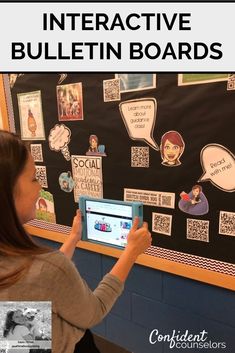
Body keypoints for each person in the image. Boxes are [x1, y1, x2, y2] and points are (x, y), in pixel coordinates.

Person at [0, 130, 152, 353]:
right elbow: (94, 311)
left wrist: (72, 238)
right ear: (7, 190)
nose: (39, 187)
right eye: (33, 178)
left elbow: (33, 300)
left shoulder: (16, 265)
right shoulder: (47, 269)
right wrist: (131, 252)